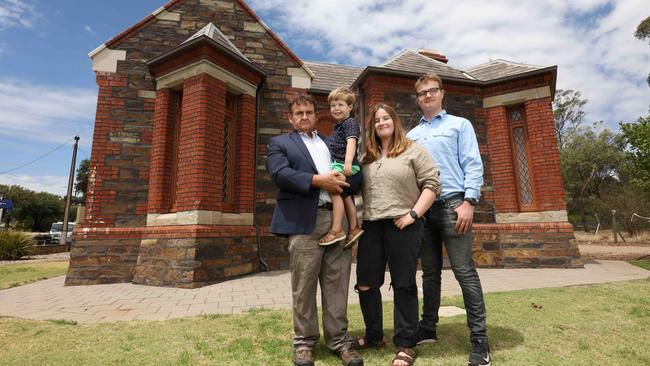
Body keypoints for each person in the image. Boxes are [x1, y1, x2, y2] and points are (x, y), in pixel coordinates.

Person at [266, 95, 364, 366]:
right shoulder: (280, 143)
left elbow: (352, 167)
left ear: (316, 115)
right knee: (304, 285)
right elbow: (279, 174)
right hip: (304, 222)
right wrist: (318, 181)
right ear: (290, 117)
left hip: (337, 220)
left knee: (337, 283)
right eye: (299, 113)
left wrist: (349, 177)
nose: (304, 116)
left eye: (309, 112)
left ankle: (340, 341)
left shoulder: (330, 140)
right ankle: (305, 343)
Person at [406, 72, 491, 366]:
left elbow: (472, 164)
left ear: (442, 93)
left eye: (432, 91)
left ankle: (479, 340)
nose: (427, 96)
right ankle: (428, 327)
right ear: (417, 100)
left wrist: (469, 202)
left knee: (464, 271)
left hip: (454, 205)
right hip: (423, 211)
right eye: (422, 93)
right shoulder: (410, 137)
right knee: (430, 272)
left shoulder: (460, 125)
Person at [354, 103, 440, 366]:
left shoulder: (413, 150)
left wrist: (413, 215)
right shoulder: (366, 156)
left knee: (403, 284)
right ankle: (374, 335)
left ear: (395, 121)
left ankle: (406, 343)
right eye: (377, 120)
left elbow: (432, 184)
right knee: (366, 283)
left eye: (386, 118)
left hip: (403, 224)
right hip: (371, 225)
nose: (381, 123)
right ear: (372, 127)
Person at [319, 87, 364, 247]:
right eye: (333, 105)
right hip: (340, 165)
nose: (336, 108)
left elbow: (352, 143)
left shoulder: (349, 123)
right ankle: (354, 228)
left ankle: (337, 229)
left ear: (349, 107)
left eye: (340, 105)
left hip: (347, 166)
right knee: (346, 196)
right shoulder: (338, 126)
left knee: (335, 189)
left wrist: (347, 164)